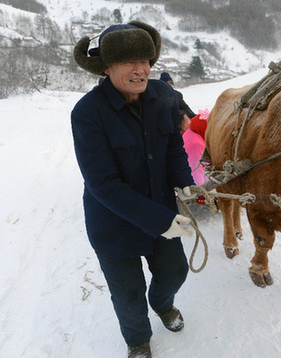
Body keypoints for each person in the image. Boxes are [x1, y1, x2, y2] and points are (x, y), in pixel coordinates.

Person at [71, 21, 196, 358]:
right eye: (129, 62)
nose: (141, 70)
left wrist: (185, 182)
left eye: (146, 61)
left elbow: (173, 148)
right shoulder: (87, 113)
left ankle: (162, 304)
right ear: (107, 67)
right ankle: (138, 339)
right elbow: (103, 184)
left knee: (175, 272)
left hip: (161, 210)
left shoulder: (165, 96)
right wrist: (162, 221)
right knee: (127, 294)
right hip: (114, 224)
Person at [183, 109, 209, 185]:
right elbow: (195, 171)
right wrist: (201, 192)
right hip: (193, 182)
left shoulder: (192, 132)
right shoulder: (196, 144)